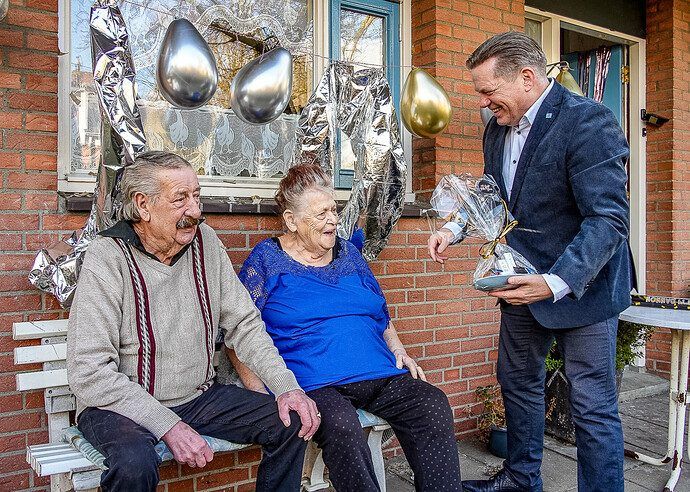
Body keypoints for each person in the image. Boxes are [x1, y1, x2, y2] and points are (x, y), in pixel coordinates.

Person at [428, 32, 632, 492]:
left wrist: (556, 280)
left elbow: (608, 219)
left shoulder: (589, 122)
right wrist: (453, 229)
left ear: (526, 77)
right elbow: (492, 192)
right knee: (517, 383)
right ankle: (521, 479)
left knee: (591, 404)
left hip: (584, 286)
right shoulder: (496, 128)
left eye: (487, 90)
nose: (483, 102)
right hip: (521, 284)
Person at [66, 151, 320, 492]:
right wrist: (167, 425)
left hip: (197, 397)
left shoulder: (206, 243)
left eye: (197, 196)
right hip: (120, 407)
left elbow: (244, 324)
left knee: (290, 423)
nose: (195, 211)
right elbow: (89, 372)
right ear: (143, 205)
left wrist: (287, 386)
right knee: (134, 464)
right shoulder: (107, 256)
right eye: (180, 199)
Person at [234, 164, 462, 492]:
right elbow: (239, 329)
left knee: (431, 404)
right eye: (321, 213)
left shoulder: (350, 254)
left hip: (378, 373)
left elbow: (379, 313)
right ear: (291, 220)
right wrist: (258, 391)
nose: (333, 219)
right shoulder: (267, 259)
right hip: (314, 382)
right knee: (341, 426)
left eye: (334, 210)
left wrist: (398, 349)